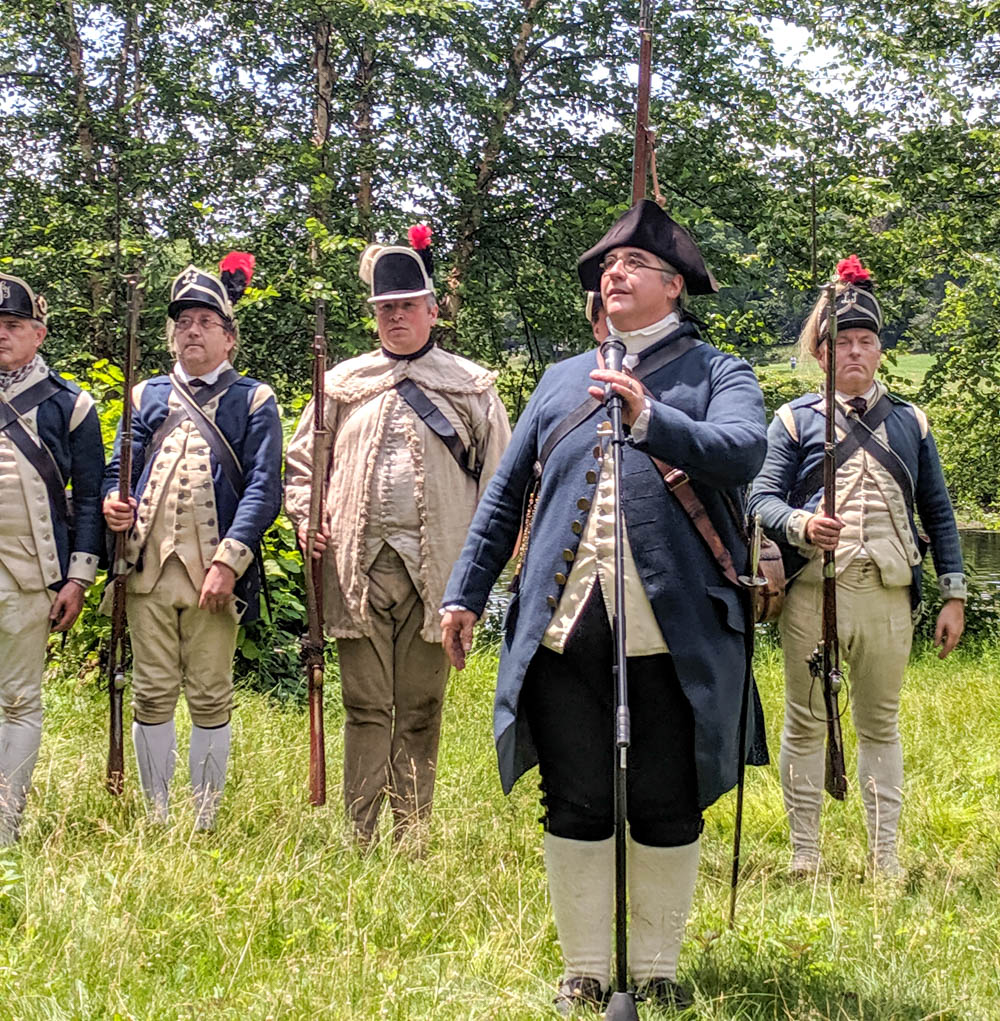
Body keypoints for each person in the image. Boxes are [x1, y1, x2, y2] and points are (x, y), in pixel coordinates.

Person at [441, 200, 768, 1012]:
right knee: (576, 795)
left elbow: (743, 451)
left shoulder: (718, 372)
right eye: (605, 270)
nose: (612, 277)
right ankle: (585, 964)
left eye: (630, 267)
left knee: (666, 798)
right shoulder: (560, 378)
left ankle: (655, 968)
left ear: (674, 286)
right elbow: (507, 495)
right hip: (564, 627)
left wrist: (651, 416)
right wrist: (465, 592)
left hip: (675, 630)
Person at [284, 225, 511, 849]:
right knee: (362, 706)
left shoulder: (472, 387)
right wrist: (307, 517)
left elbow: (502, 484)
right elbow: (303, 467)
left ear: (433, 311)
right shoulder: (341, 384)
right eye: (386, 309)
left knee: (419, 709)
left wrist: (488, 569)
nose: (396, 318)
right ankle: (359, 833)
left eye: (407, 306)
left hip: (439, 572)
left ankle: (411, 834)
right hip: (357, 570)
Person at [747, 256, 965, 878]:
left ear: (879, 350)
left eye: (866, 342)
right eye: (842, 342)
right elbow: (759, 498)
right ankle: (805, 857)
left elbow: (940, 517)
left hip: (887, 594)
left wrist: (954, 594)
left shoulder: (911, 422)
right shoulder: (793, 420)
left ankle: (886, 858)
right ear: (823, 353)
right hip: (815, 589)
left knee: (881, 726)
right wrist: (799, 524)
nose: (855, 353)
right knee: (806, 724)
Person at [102, 255, 282, 829]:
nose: (192, 331)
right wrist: (113, 502)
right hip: (147, 571)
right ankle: (157, 816)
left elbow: (262, 486)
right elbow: (117, 469)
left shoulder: (253, 400)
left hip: (213, 575)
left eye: (206, 321)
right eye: (183, 322)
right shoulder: (145, 395)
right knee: (151, 692)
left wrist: (230, 560)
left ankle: (203, 819)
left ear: (229, 337)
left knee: (209, 693)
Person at [0, 274, 105, 844]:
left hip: (31, 575)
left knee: (18, 701)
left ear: (38, 334)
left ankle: (4, 829)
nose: (1, 335)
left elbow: (89, 496)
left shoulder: (70, 404)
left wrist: (79, 578)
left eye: (12, 326)